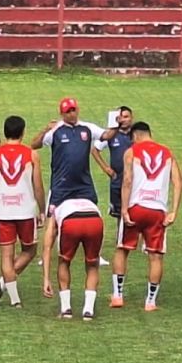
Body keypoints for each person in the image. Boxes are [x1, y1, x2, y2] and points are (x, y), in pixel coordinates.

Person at [33, 97, 116, 280]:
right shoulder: (55, 130)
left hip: (83, 184)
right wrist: (45, 129)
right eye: (68, 111)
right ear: (62, 113)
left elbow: (106, 136)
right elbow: (34, 144)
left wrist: (115, 124)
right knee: (52, 222)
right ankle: (45, 256)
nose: (72, 114)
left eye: (73, 110)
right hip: (61, 185)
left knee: (93, 217)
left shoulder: (87, 128)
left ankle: (96, 253)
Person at [110, 122, 182, 312]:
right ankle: (150, 301)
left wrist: (124, 209)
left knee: (122, 249)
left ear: (135, 136)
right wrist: (173, 211)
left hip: (136, 206)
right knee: (155, 256)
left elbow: (127, 180)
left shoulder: (131, 152)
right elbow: (178, 182)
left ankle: (117, 295)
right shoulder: (167, 153)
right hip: (157, 210)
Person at [0, 115, 45, 308]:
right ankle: (4, 286)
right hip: (26, 210)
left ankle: (13, 297)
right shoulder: (31, 154)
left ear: (5, 132)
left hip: (3, 211)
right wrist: (42, 210)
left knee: (6, 255)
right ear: (23, 132)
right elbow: (38, 186)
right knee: (30, 250)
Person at [41, 194, 104, 320]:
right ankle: (88, 310)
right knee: (92, 264)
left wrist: (46, 279)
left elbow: (47, 248)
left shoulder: (55, 210)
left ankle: (66, 309)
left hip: (70, 221)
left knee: (64, 261)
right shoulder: (89, 200)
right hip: (95, 219)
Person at [95, 106, 134, 235]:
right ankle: (120, 236)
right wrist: (106, 168)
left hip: (134, 179)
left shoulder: (136, 135)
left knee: (136, 210)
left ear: (132, 118)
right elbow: (95, 150)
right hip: (117, 180)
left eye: (126, 117)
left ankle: (138, 239)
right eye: (120, 117)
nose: (123, 120)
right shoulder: (112, 135)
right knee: (119, 212)